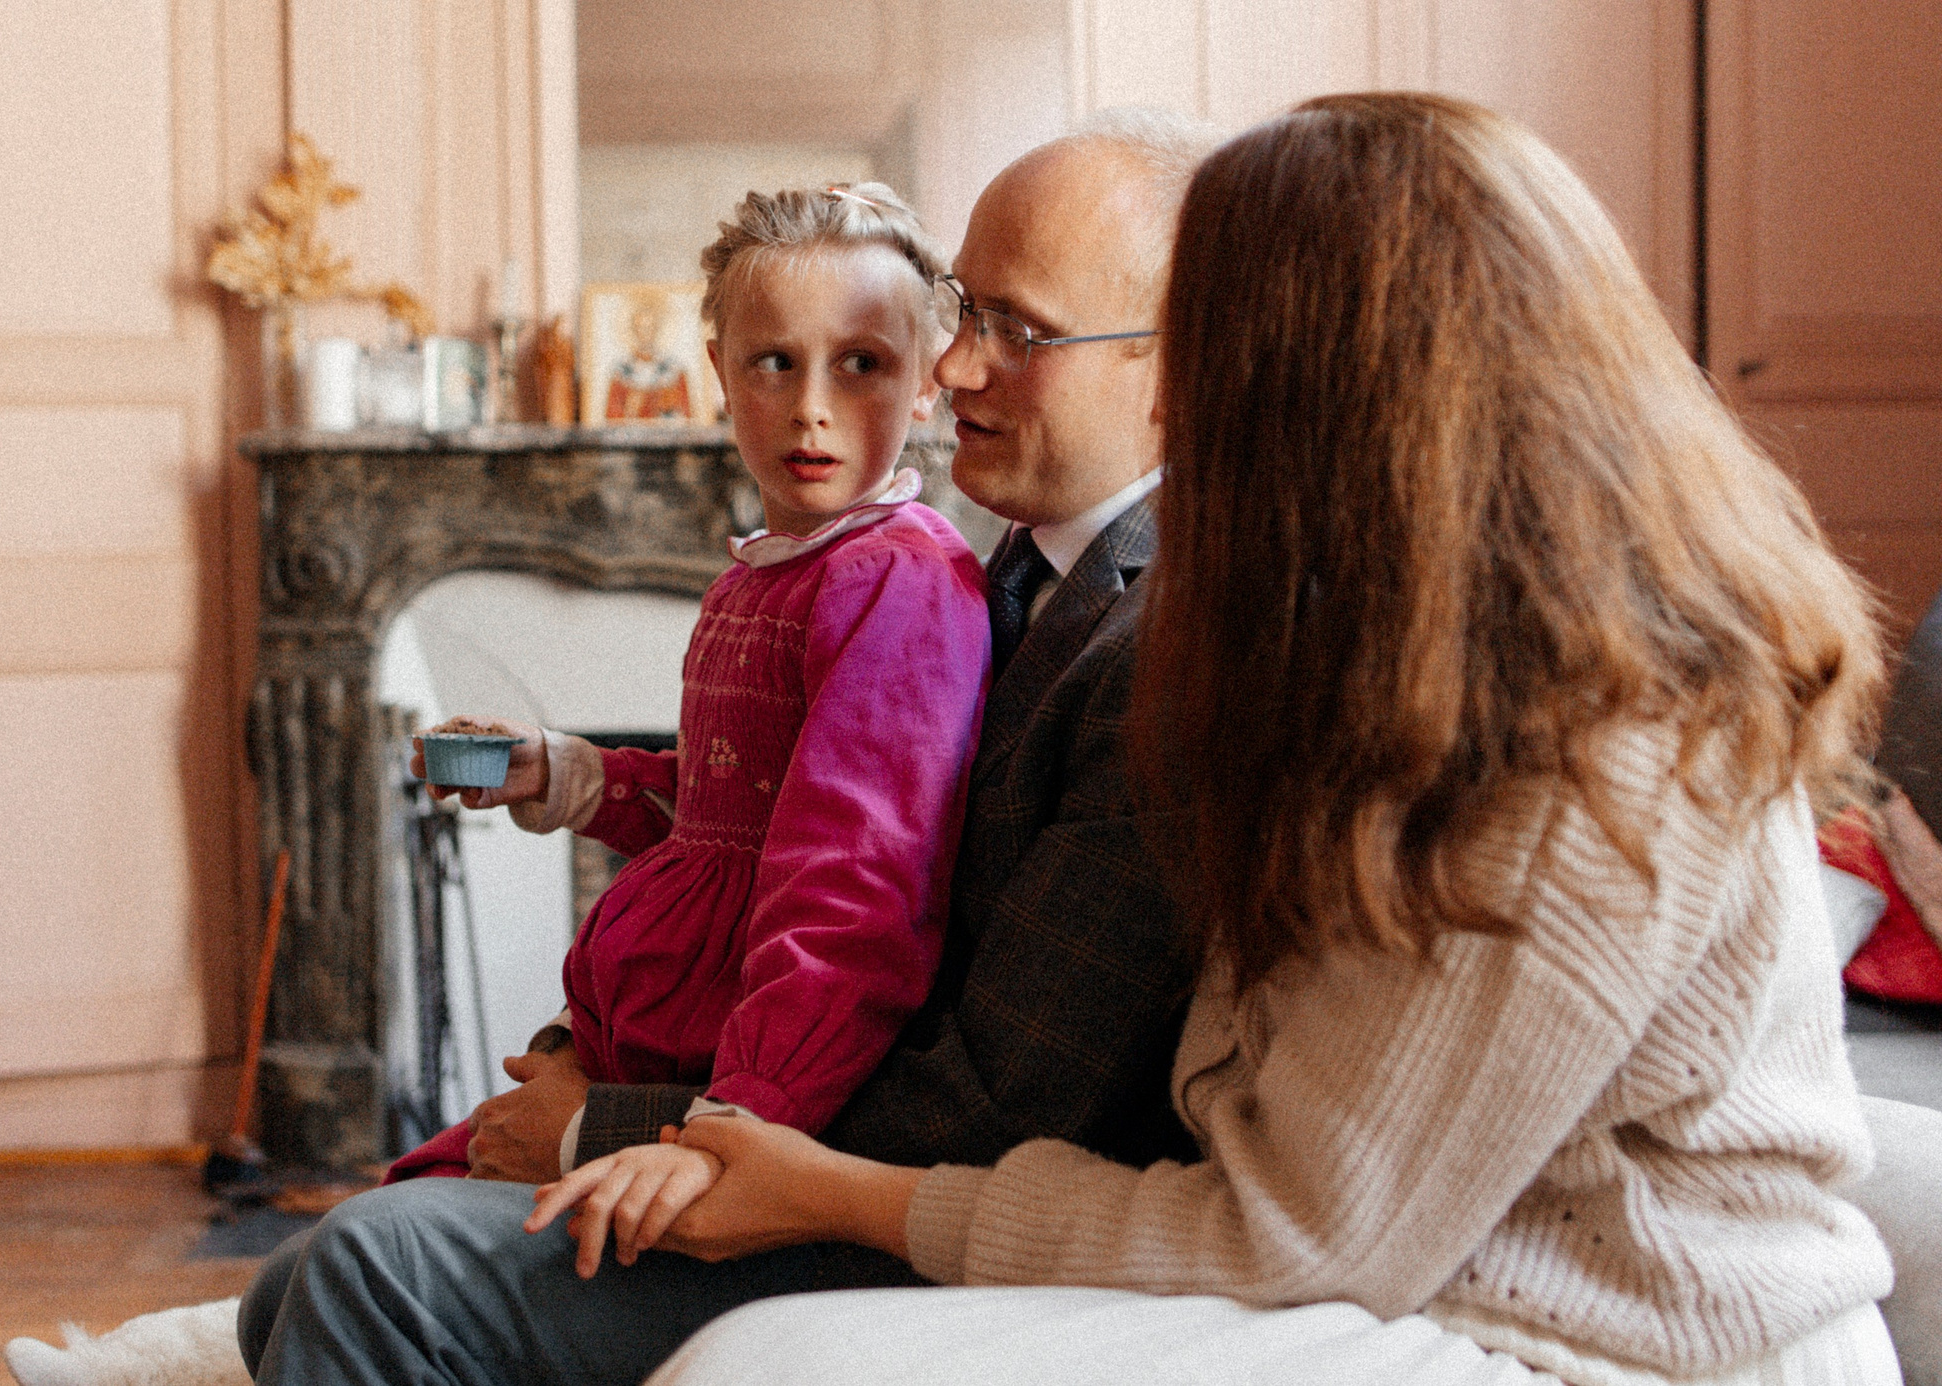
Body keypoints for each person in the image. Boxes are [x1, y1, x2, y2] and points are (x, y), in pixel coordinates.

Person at [539, 92, 1904, 1386]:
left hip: (1591, 1344)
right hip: (1405, 1280)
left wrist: (831, 1191)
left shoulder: (1584, 757)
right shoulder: (1368, 662)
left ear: (1341, 385)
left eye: (1208, 349)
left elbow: (1291, 1236)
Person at [239, 109, 1219, 1383]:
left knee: (379, 1268)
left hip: (889, 1202)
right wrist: (581, 779)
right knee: (291, 1288)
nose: (959, 370)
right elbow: (753, 809)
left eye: (1011, 333)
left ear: (1176, 368)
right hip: (741, 1093)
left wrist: (609, 1126)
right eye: (965, 315)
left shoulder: (1156, 649)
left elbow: (983, 1083)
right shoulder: (1007, 565)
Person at [378, 181, 992, 1204]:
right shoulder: (765, 571)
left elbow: (852, 894)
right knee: (389, 1203)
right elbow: (726, 805)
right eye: (772, 363)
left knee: (391, 1237)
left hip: (727, 1081)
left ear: (927, 382)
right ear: (717, 373)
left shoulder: (895, 581)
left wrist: (731, 1133)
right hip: (644, 1038)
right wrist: (571, 774)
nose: (811, 407)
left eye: (862, 365)